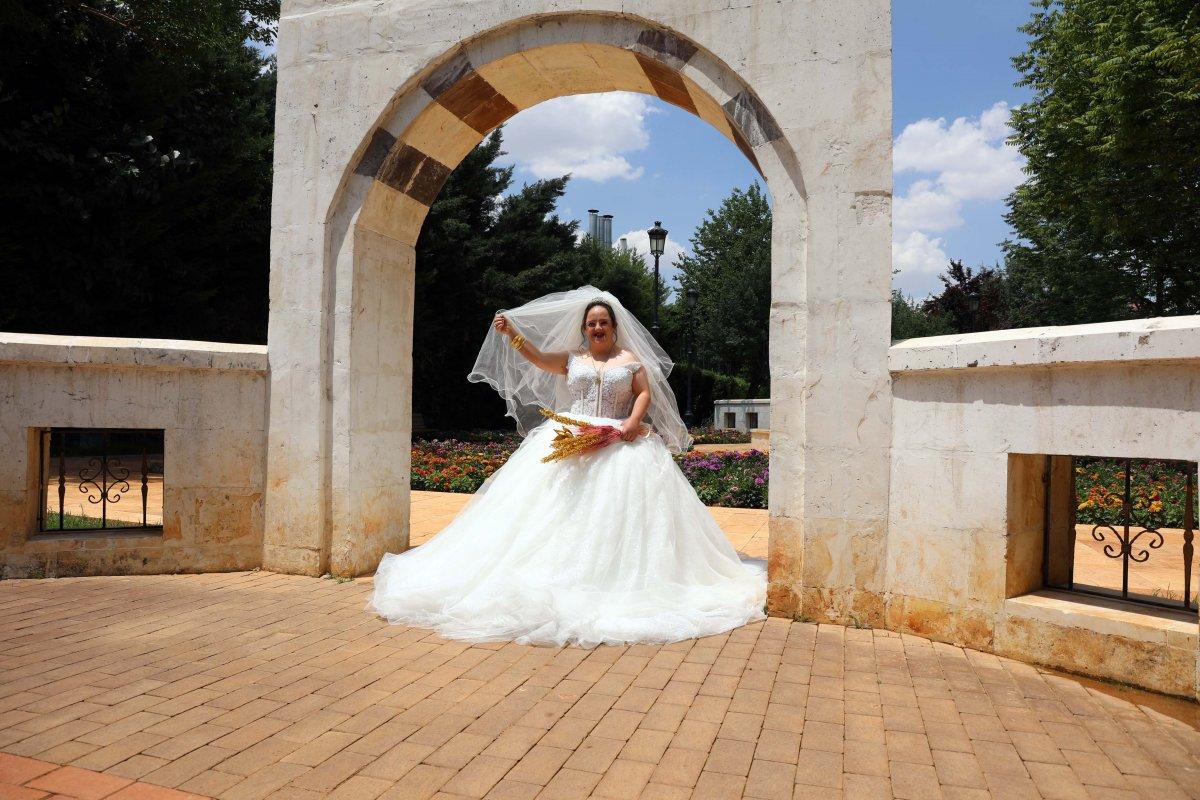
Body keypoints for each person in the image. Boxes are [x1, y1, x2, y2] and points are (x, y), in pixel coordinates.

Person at [367, 285, 766, 647]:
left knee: (615, 516)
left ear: (613, 326)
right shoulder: (572, 358)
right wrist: (512, 335)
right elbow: (539, 359)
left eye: (603, 322)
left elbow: (643, 393)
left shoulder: (630, 359)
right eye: (592, 323)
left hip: (620, 440)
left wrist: (630, 423)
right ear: (585, 328)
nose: (597, 328)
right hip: (568, 437)